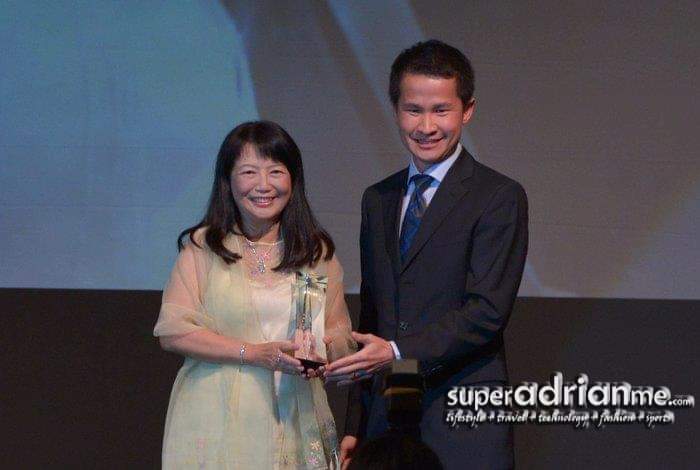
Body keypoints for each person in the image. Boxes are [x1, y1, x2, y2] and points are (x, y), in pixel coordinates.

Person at [324, 40, 529, 469]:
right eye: (413, 110)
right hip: (387, 419)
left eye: (441, 110)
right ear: (396, 110)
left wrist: (396, 350)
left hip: (463, 415)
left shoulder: (497, 196)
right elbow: (373, 317)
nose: (427, 126)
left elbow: (486, 313)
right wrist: (356, 424)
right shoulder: (378, 199)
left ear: (467, 110)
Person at [154, 120, 355, 469]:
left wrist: (322, 352)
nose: (263, 185)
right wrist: (255, 354)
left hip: (295, 418)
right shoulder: (204, 248)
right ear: (228, 181)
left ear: (293, 179)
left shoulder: (316, 253)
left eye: (276, 171)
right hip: (217, 419)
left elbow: (339, 335)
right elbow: (174, 332)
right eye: (249, 172)